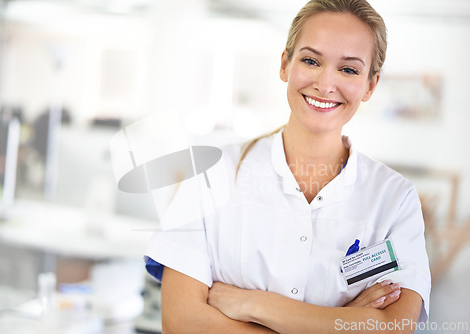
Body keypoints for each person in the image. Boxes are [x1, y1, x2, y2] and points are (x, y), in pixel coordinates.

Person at [144, 0, 431, 333]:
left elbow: (392, 327)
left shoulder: (395, 200)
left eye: (349, 69)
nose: (325, 84)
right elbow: (181, 324)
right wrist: (341, 323)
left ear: (370, 85)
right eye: (311, 60)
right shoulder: (209, 175)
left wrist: (255, 305)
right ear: (285, 64)